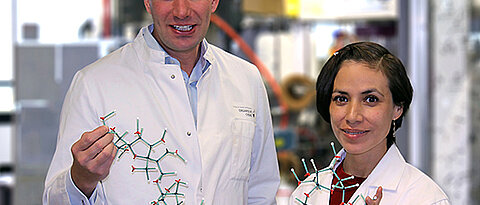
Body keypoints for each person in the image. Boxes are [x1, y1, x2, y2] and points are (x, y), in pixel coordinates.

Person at [43, 0, 280, 204]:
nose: (181, 11)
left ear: (214, 2)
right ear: (148, 2)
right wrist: (81, 178)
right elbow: (54, 200)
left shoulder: (246, 79)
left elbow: (262, 191)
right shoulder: (93, 83)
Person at [289, 42, 450, 205]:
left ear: (397, 108)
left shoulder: (426, 198)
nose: (352, 116)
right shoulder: (305, 193)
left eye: (370, 99)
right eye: (341, 99)